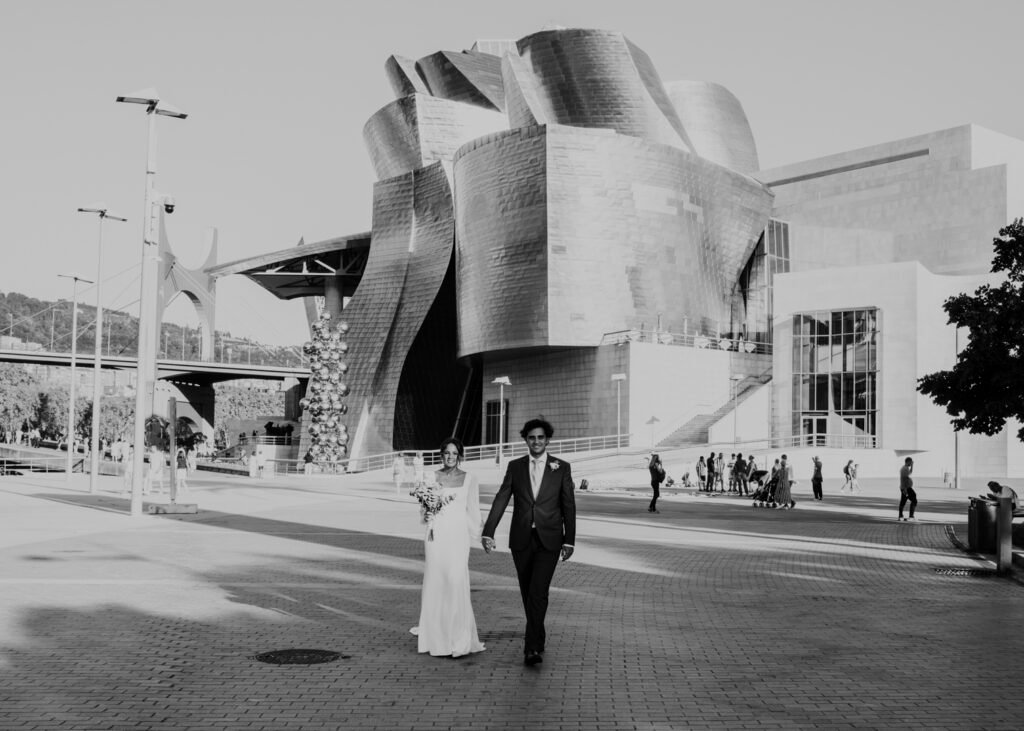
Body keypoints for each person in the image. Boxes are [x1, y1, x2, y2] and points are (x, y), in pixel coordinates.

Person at [482, 418, 576, 666]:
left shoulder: (561, 467)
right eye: (532, 437)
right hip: (521, 539)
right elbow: (502, 498)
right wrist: (488, 531)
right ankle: (539, 634)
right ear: (526, 440)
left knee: (537, 591)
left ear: (547, 440)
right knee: (528, 592)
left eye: (541, 437)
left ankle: (531, 647)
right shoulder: (515, 467)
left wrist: (570, 540)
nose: (536, 441)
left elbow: (569, 505)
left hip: (550, 539)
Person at [411, 437, 485, 658]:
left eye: (455, 453)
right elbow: (424, 510)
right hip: (436, 535)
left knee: (455, 580)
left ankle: (458, 637)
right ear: (441, 454)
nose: (450, 457)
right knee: (436, 581)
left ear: (460, 455)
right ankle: (435, 637)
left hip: (458, 536)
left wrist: (482, 536)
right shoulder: (431, 477)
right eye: (447, 453)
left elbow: (473, 510)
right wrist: (428, 512)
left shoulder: (470, 478)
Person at [898, 457, 916, 521]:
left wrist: (912, 466)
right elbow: (904, 479)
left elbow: (910, 473)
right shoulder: (904, 469)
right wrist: (905, 489)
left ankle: (900, 516)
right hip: (906, 488)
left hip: (905, 488)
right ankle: (911, 517)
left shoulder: (906, 468)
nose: (911, 463)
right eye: (911, 462)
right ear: (908, 462)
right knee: (914, 500)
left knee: (903, 502)